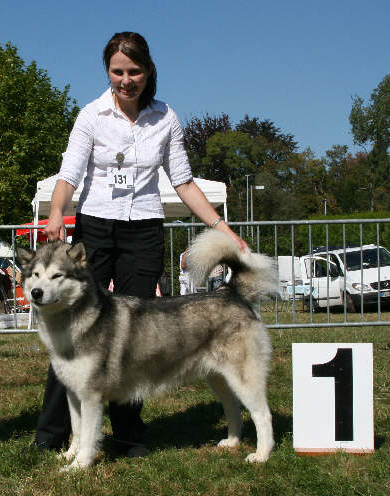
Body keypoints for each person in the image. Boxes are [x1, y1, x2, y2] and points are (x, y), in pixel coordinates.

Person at [34, 31, 248, 456]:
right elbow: (69, 174)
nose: (125, 80)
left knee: (133, 338)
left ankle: (128, 435)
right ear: (107, 72)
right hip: (94, 230)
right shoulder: (91, 115)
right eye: (117, 71)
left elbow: (183, 182)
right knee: (72, 334)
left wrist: (222, 228)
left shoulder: (166, 118)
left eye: (134, 71)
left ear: (148, 71)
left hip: (144, 232)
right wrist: (56, 212)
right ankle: (52, 435)